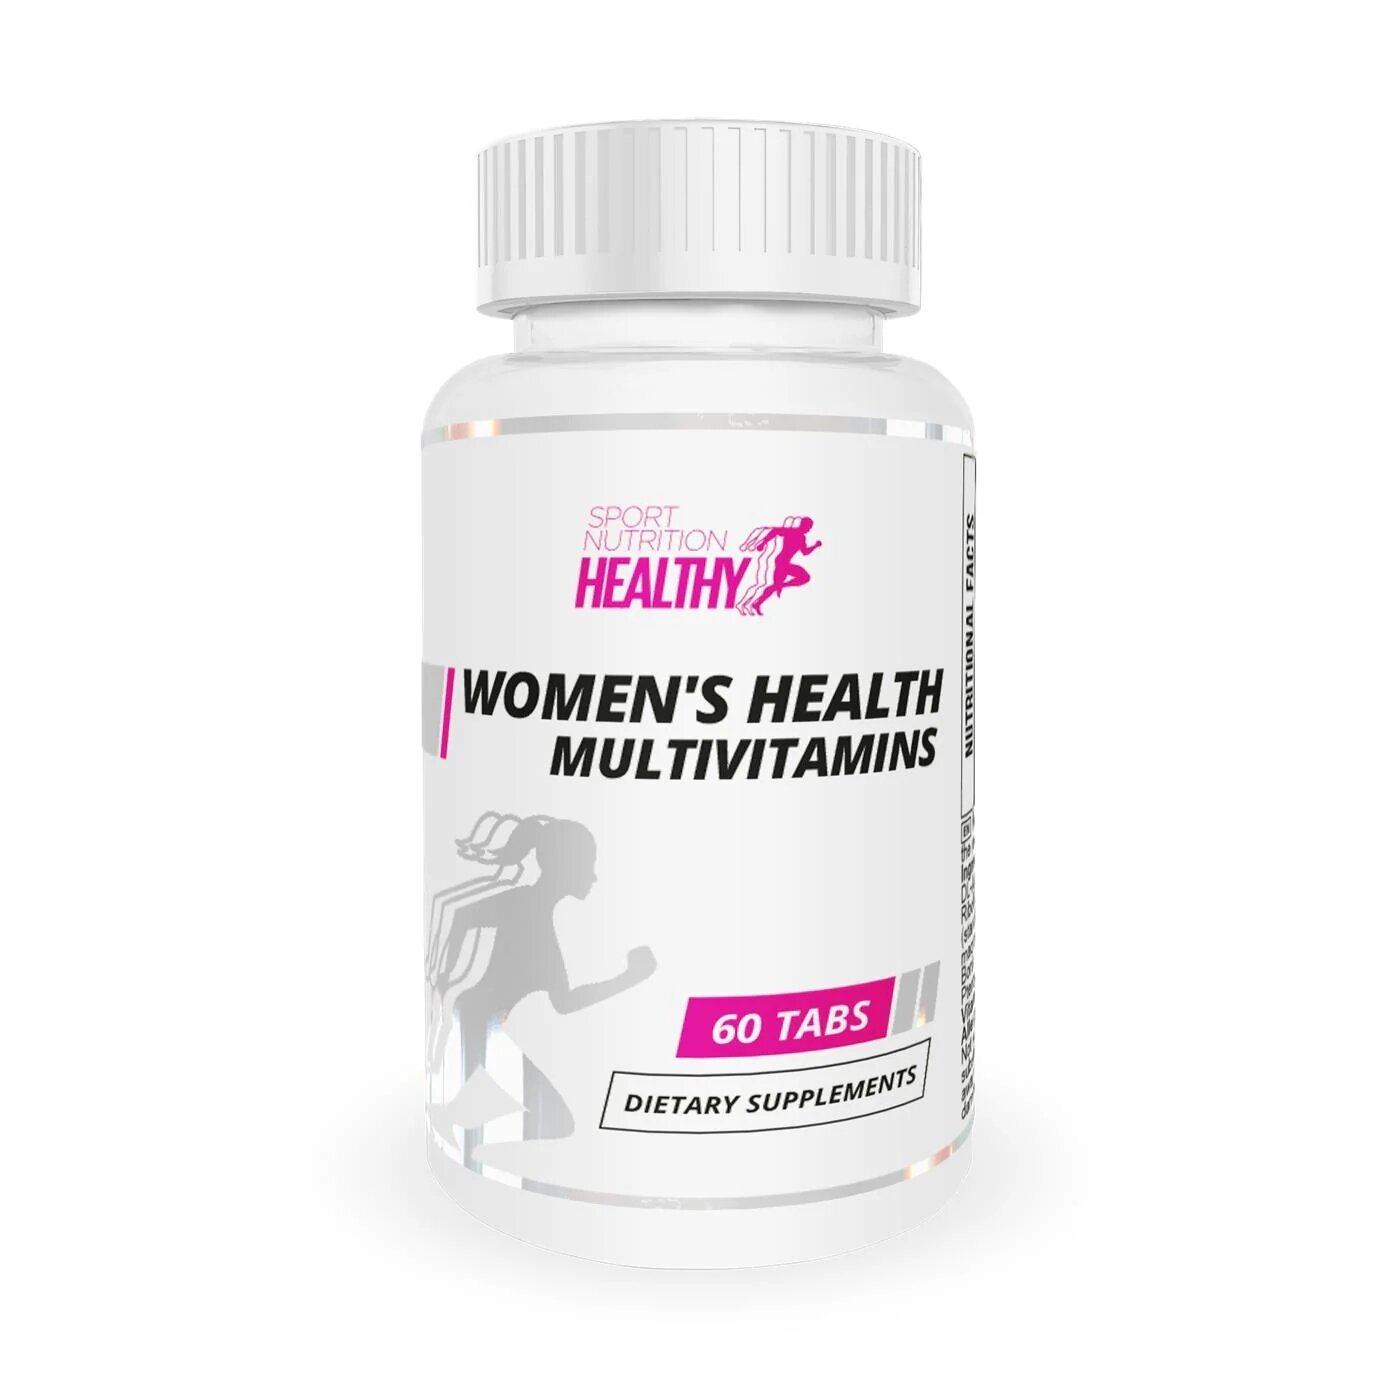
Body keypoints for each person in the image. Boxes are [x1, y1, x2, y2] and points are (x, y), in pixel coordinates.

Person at [425, 816, 655, 1149]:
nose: (593, 876)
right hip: (479, 1022)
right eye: (587, 864)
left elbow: (564, 1002)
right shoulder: (527, 908)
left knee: (547, 1118)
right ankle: (460, 1131)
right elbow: (463, 917)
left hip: (484, 1021)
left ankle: (459, 1126)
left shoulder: (536, 912)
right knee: (551, 1119)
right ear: (565, 867)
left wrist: (627, 979)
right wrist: (446, 978)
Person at [740, 516, 822, 615]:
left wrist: (815, 546)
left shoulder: (802, 538)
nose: (809, 530)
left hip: (786, 563)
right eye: (808, 527)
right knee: (779, 585)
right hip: (781, 563)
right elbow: (775, 531)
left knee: (803, 578)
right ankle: (759, 602)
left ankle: (760, 601)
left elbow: (805, 552)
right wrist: (763, 543)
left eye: (810, 528)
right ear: (803, 525)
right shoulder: (791, 531)